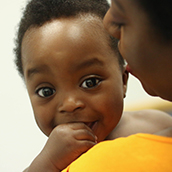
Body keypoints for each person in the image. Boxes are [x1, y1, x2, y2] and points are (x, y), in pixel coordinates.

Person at [14, 0, 172, 171]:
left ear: (123, 80)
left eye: (90, 82)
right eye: (46, 91)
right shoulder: (54, 159)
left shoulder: (155, 126)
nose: (70, 104)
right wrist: (48, 162)